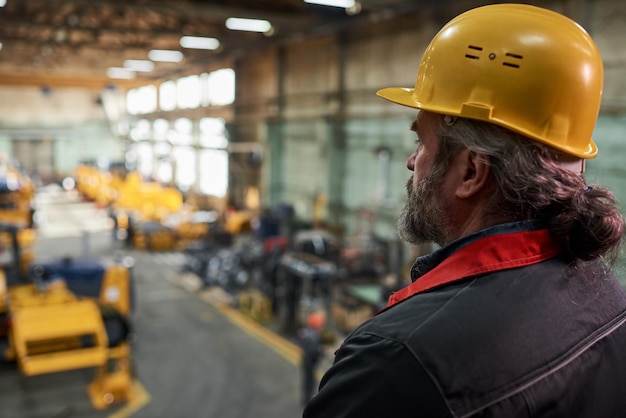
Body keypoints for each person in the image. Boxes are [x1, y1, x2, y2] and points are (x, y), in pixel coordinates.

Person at [303, 4, 626, 417]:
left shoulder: (400, 364)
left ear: (471, 170)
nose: (411, 161)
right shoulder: (606, 296)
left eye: (421, 142)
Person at [299, 311, 326, 406]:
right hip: (309, 362)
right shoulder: (312, 337)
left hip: (306, 361)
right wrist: (321, 352)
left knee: (308, 380)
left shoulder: (308, 334)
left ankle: (306, 397)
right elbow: (313, 351)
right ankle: (308, 399)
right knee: (310, 382)